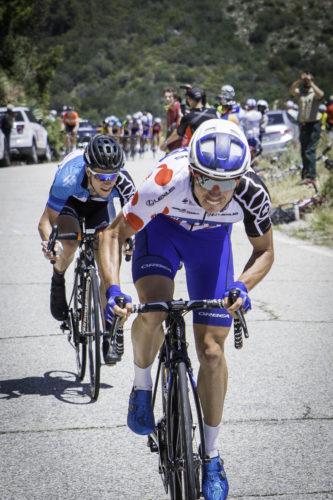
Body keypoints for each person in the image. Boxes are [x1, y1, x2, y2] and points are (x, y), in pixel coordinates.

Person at [99, 119, 274, 500]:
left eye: (226, 184)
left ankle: (211, 455)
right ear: (191, 170)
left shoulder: (252, 191)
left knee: (211, 350)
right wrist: (112, 288)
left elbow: (264, 251)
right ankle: (142, 386)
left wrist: (242, 287)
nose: (216, 192)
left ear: (240, 178)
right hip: (161, 232)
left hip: (210, 245)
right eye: (207, 180)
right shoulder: (163, 182)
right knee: (154, 311)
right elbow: (113, 234)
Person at [38, 134, 136, 364]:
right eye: (101, 175)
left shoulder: (121, 181)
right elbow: (45, 221)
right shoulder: (68, 178)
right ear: (89, 170)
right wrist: (49, 245)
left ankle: (110, 332)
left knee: (107, 255)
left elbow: (135, 220)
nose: (108, 181)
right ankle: (58, 276)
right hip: (71, 204)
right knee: (70, 243)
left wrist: (132, 240)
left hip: (100, 208)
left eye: (113, 175)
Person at [160, 86, 219, 151]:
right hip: (212, 150)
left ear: (189, 99)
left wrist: (165, 143)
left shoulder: (188, 117)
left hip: (194, 151)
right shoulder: (214, 112)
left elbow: (179, 133)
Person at [290, 72, 324, 180]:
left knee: (310, 151)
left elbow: (321, 95)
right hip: (303, 125)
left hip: (314, 124)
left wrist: (311, 83)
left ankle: (312, 175)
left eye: (307, 81)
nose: (306, 83)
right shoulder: (300, 93)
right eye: (305, 81)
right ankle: (305, 175)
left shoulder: (314, 92)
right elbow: (291, 90)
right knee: (304, 151)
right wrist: (300, 80)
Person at [163, 87, 183, 151]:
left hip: (180, 146)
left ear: (175, 98)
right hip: (172, 145)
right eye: (165, 97)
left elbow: (179, 132)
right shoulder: (168, 109)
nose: (167, 99)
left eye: (170, 97)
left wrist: (165, 143)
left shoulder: (179, 108)